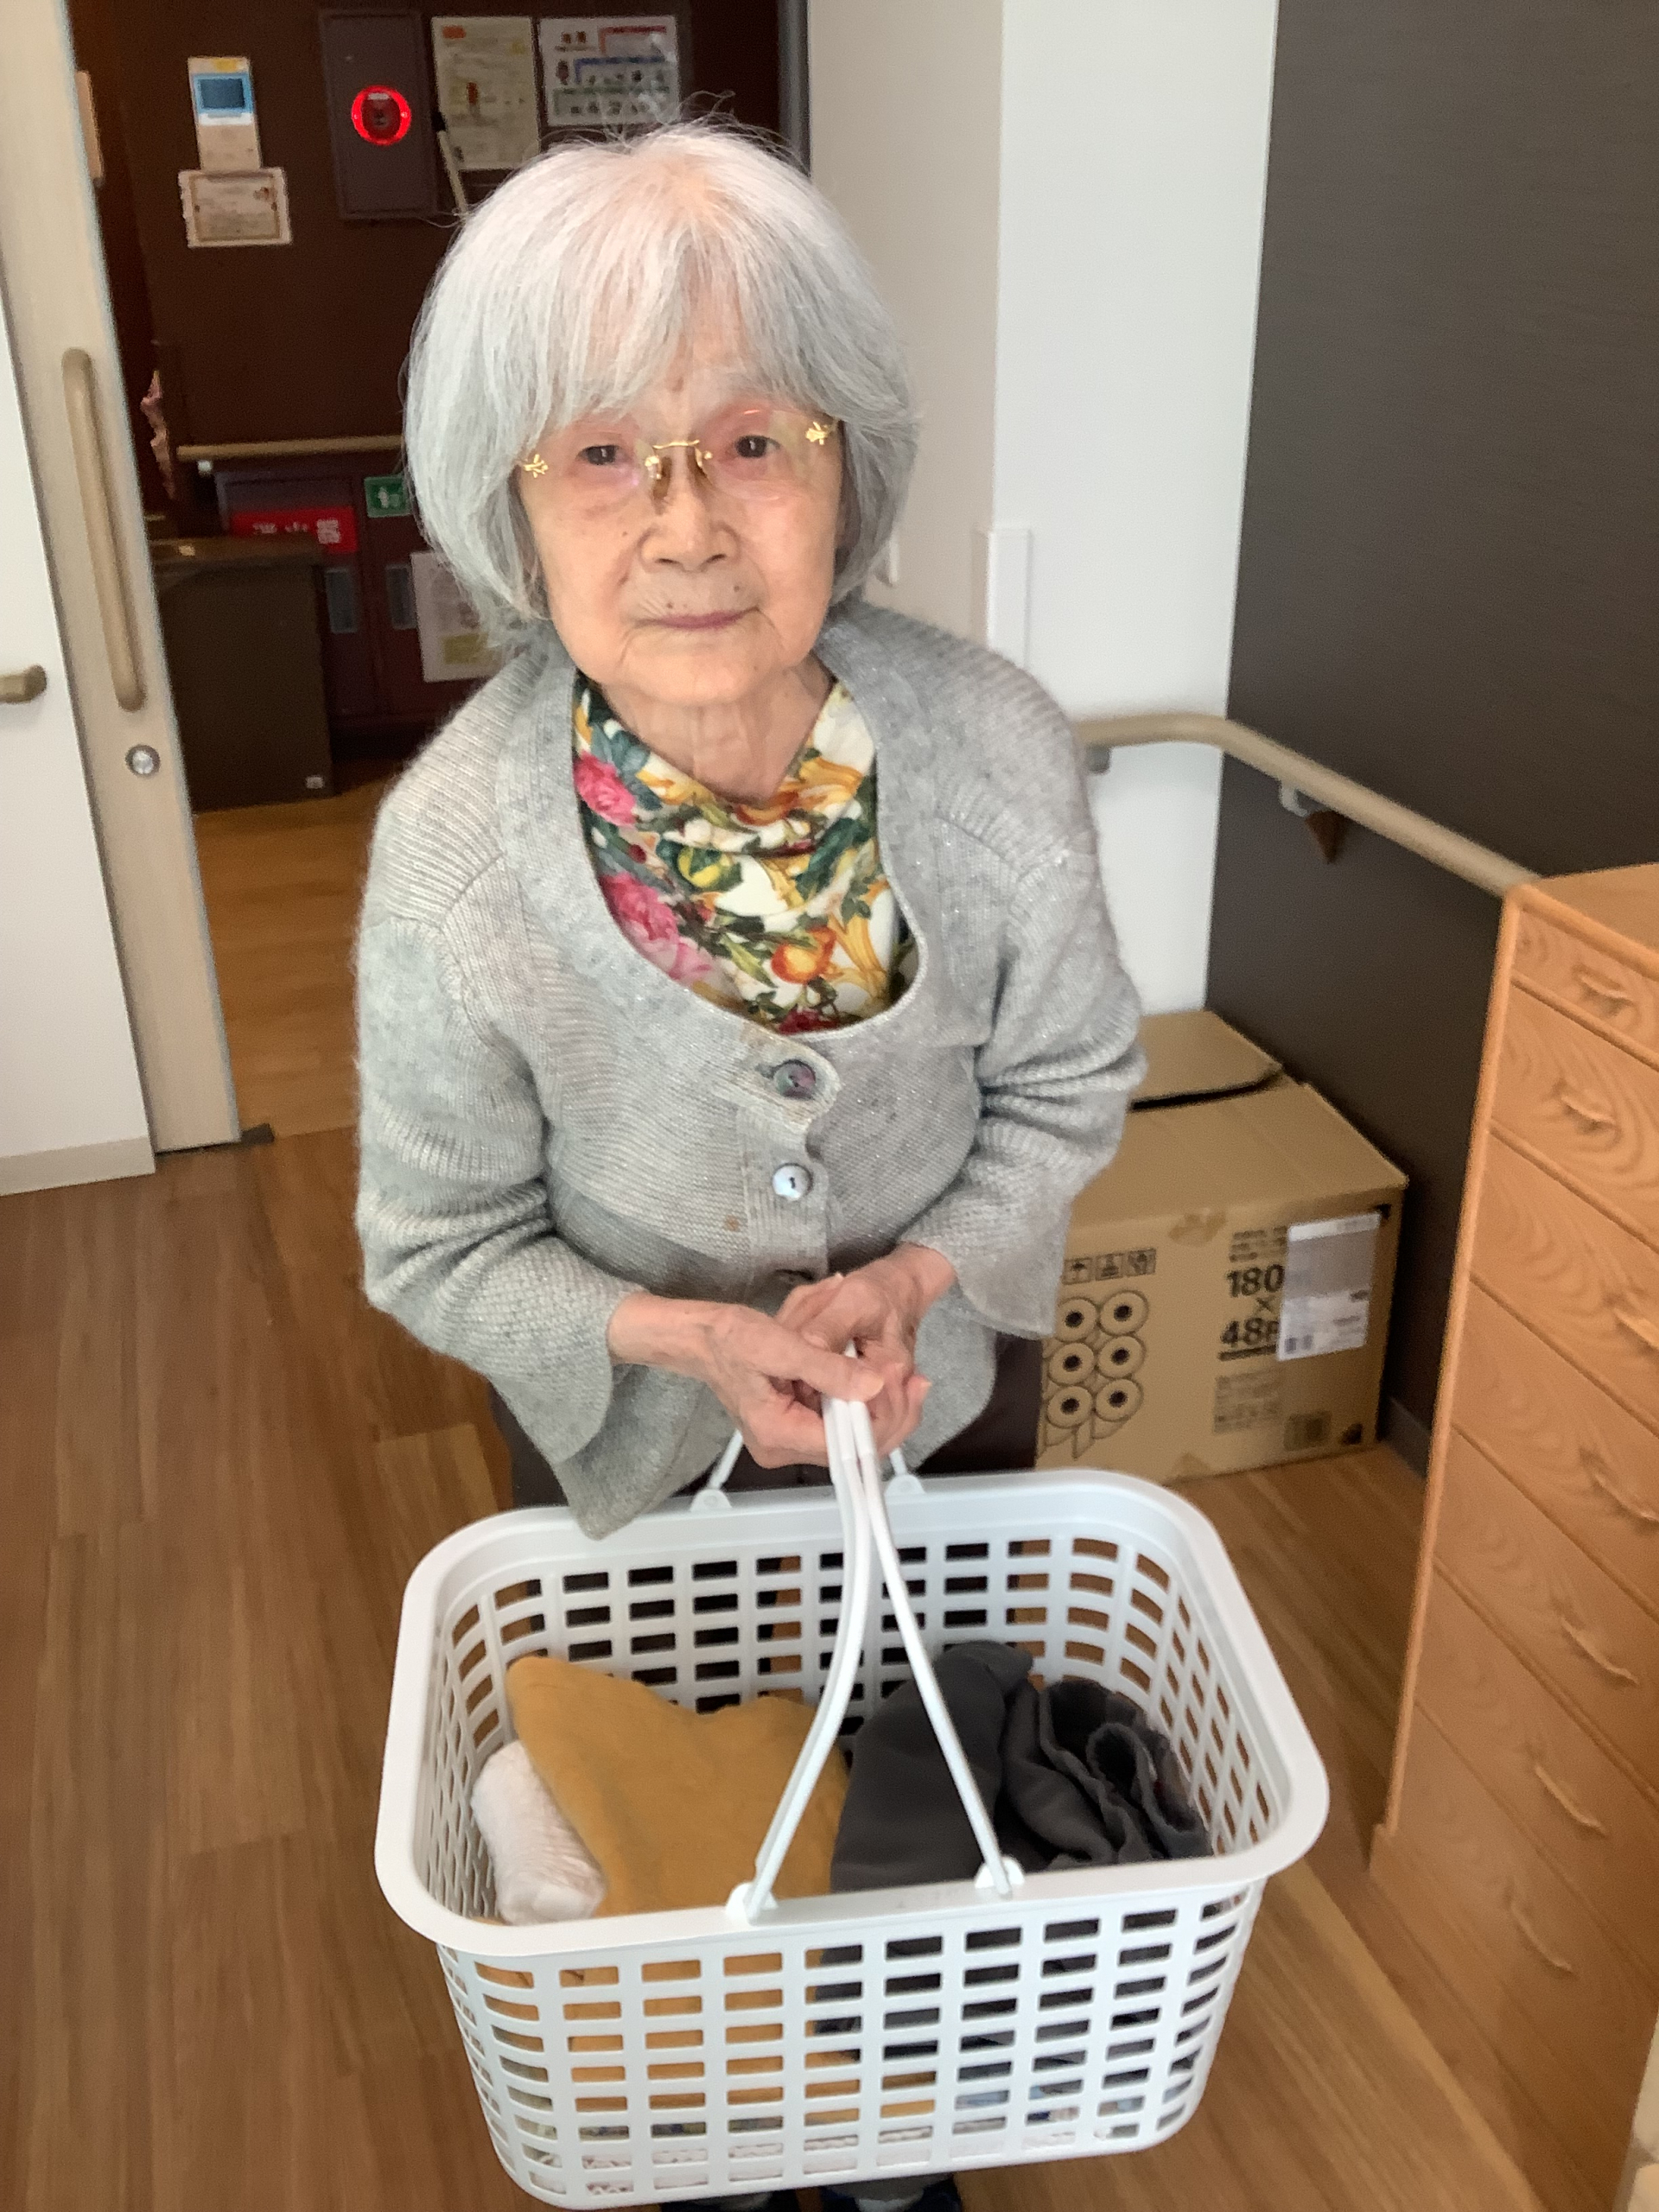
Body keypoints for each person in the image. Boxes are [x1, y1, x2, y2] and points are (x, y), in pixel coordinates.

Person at [357, 122, 1141, 2212]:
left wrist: (926, 1273)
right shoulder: (452, 853)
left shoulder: (994, 747)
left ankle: (900, 2147)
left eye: (750, 441)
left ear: (844, 468)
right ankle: (712, 2132)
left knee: (921, 1813)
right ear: (514, 506)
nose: (687, 523)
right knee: (670, 1864)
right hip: (631, 1469)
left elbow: (1072, 1084)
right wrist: (692, 1335)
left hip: (943, 1423)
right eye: (603, 454)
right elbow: (436, 1243)